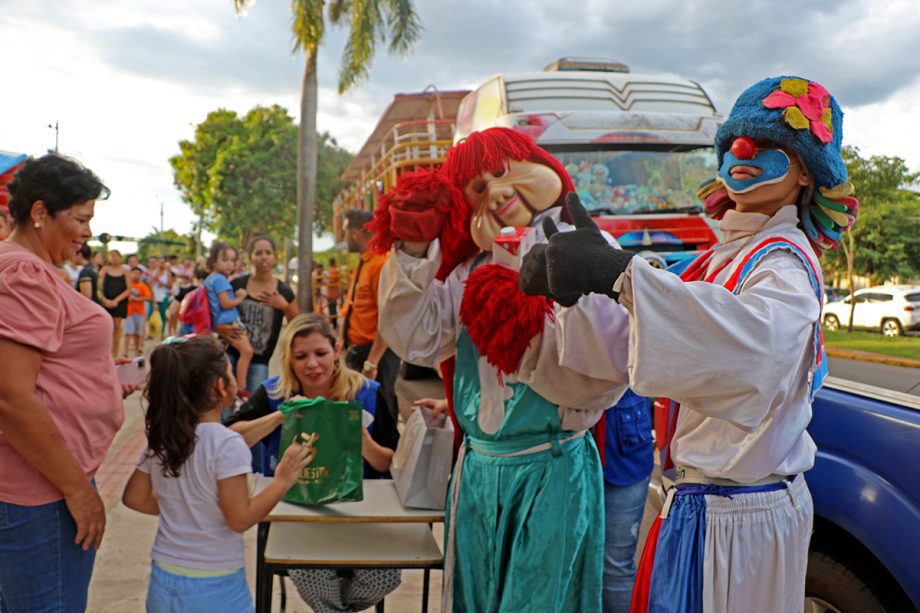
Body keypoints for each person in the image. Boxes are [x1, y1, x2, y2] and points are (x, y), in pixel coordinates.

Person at [523, 76, 859, 612]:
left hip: (744, 518)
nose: (743, 152)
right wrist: (581, 291)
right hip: (702, 508)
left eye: (770, 144)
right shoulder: (719, 258)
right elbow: (632, 348)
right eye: (733, 143)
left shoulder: (785, 262)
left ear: (805, 172)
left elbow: (750, 354)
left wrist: (620, 274)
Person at [372, 128, 626, 612]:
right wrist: (408, 247)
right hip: (479, 469)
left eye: (505, 173)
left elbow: (606, 370)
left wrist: (527, 333)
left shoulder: (581, 247)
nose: (499, 193)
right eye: (478, 188)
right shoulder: (469, 269)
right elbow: (419, 338)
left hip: (550, 468)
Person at [0, 153, 135, 611]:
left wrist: (99, 377)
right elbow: (12, 397)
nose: (88, 232)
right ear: (40, 213)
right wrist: (78, 492)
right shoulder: (24, 273)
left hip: (45, 485)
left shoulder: (34, 270)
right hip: (42, 493)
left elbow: (42, 369)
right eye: (80, 218)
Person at [121, 335, 315, 612]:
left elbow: (134, 498)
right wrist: (284, 479)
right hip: (215, 588)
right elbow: (240, 518)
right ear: (219, 386)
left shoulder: (165, 438)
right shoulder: (227, 444)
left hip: (163, 581)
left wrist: (187, 509)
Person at [224, 313, 401, 612]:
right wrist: (281, 416)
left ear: (337, 351)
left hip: (361, 514)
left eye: (321, 353)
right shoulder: (274, 393)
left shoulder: (367, 393)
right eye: (301, 356)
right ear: (289, 360)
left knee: (385, 576)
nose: (312, 364)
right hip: (297, 515)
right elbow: (229, 439)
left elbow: (392, 464)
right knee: (310, 572)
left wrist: (363, 443)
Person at [338, 209, 400, 451]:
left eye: (345, 232)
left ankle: (388, 461)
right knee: (363, 410)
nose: (344, 238)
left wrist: (372, 362)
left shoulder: (381, 263)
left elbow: (387, 318)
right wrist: (341, 341)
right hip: (359, 351)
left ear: (355, 233)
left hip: (377, 354)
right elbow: (352, 307)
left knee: (382, 408)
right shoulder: (364, 263)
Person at [227, 234, 299, 394]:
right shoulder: (237, 285)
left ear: (274, 256)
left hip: (260, 362)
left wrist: (284, 306)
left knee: (254, 409)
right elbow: (219, 312)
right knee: (224, 406)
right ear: (250, 257)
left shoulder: (283, 290)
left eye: (268, 252)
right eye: (258, 253)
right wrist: (222, 330)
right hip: (231, 354)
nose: (263, 257)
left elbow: (298, 324)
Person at [204, 241, 254, 394]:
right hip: (230, 320)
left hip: (220, 322)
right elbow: (225, 304)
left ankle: (230, 385)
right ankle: (241, 387)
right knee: (247, 351)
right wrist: (240, 297)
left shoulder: (210, 279)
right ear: (213, 261)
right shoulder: (220, 279)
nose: (229, 264)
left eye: (232, 260)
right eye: (224, 260)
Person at [100, 249, 130, 356]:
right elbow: (98, 287)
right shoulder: (104, 269)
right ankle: (105, 351)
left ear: (120, 257)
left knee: (117, 328)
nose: (114, 257)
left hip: (119, 302)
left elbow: (128, 289)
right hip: (106, 302)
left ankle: (115, 353)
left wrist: (116, 300)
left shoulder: (125, 271)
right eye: (112, 255)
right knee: (105, 327)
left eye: (116, 255)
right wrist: (104, 300)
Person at [124, 266, 153, 356]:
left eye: (138, 273)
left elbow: (148, 297)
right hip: (128, 312)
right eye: (134, 273)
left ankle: (137, 350)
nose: (136, 275)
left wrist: (136, 299)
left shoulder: (142, 286)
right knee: (128, 332)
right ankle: (125, 352)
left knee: (138, 332)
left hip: (139, 312)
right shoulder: (126, 285)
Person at [325, 257, 342, 326]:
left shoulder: (333, 271)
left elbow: (331, 281)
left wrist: (326, 282)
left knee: (332, 308)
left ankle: (334, 323)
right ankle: (334, 322)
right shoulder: (334, 270)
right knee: (332, 308)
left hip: (332, 293)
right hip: (333, 292)